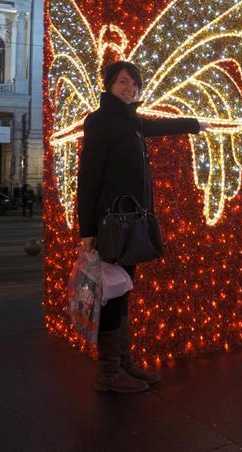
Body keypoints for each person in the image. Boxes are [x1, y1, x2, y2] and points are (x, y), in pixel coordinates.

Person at [77, 60, 206, 394]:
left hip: (132, 224)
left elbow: (158, 127)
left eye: (133, 84)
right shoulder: (101, 121)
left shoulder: (131, 121)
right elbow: (88, 177)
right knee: (111, 296)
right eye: (122, 82)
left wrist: (194, 124)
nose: (128, 88)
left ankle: (124, 362)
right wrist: (86, 231)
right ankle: (108, 373)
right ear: (108, 85)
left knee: (123, 291)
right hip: (110, 225)